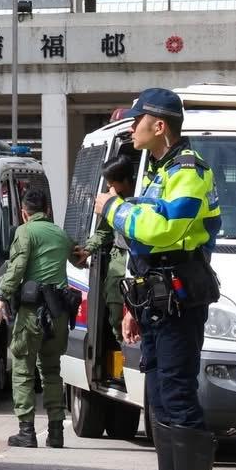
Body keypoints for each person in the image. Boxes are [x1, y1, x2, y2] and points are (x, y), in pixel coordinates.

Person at [94, 87, 222, 470]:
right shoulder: (160, 170)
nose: (132, 127)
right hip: (157, 299)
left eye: (137, 120)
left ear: (159, 125)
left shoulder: (188, 170)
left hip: (179, 300)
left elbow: (165, 230)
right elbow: (145, 245)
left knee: (177, 393)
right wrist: (133, 303)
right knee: (162, 397)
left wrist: (113, 208)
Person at [0, 186, 74, 449]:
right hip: (59, 313)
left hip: (32, 313)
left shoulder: (24, 232)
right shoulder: (61, 234)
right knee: (51, 370)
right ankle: (57, 432)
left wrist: (1, 297)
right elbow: (78, 257)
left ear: (24, 213)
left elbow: (16, 268)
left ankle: (27, 431)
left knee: (23, 370)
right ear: (47, 211)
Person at [76, 144, 140, 346]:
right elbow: (103, 231)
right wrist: (88, 249)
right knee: (115, 308)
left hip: (137, 258)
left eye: (111, 182)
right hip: (118, 259)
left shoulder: (142, 198)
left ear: (124, 181)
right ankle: (122, 344)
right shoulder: (112, 202)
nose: (108, 187)